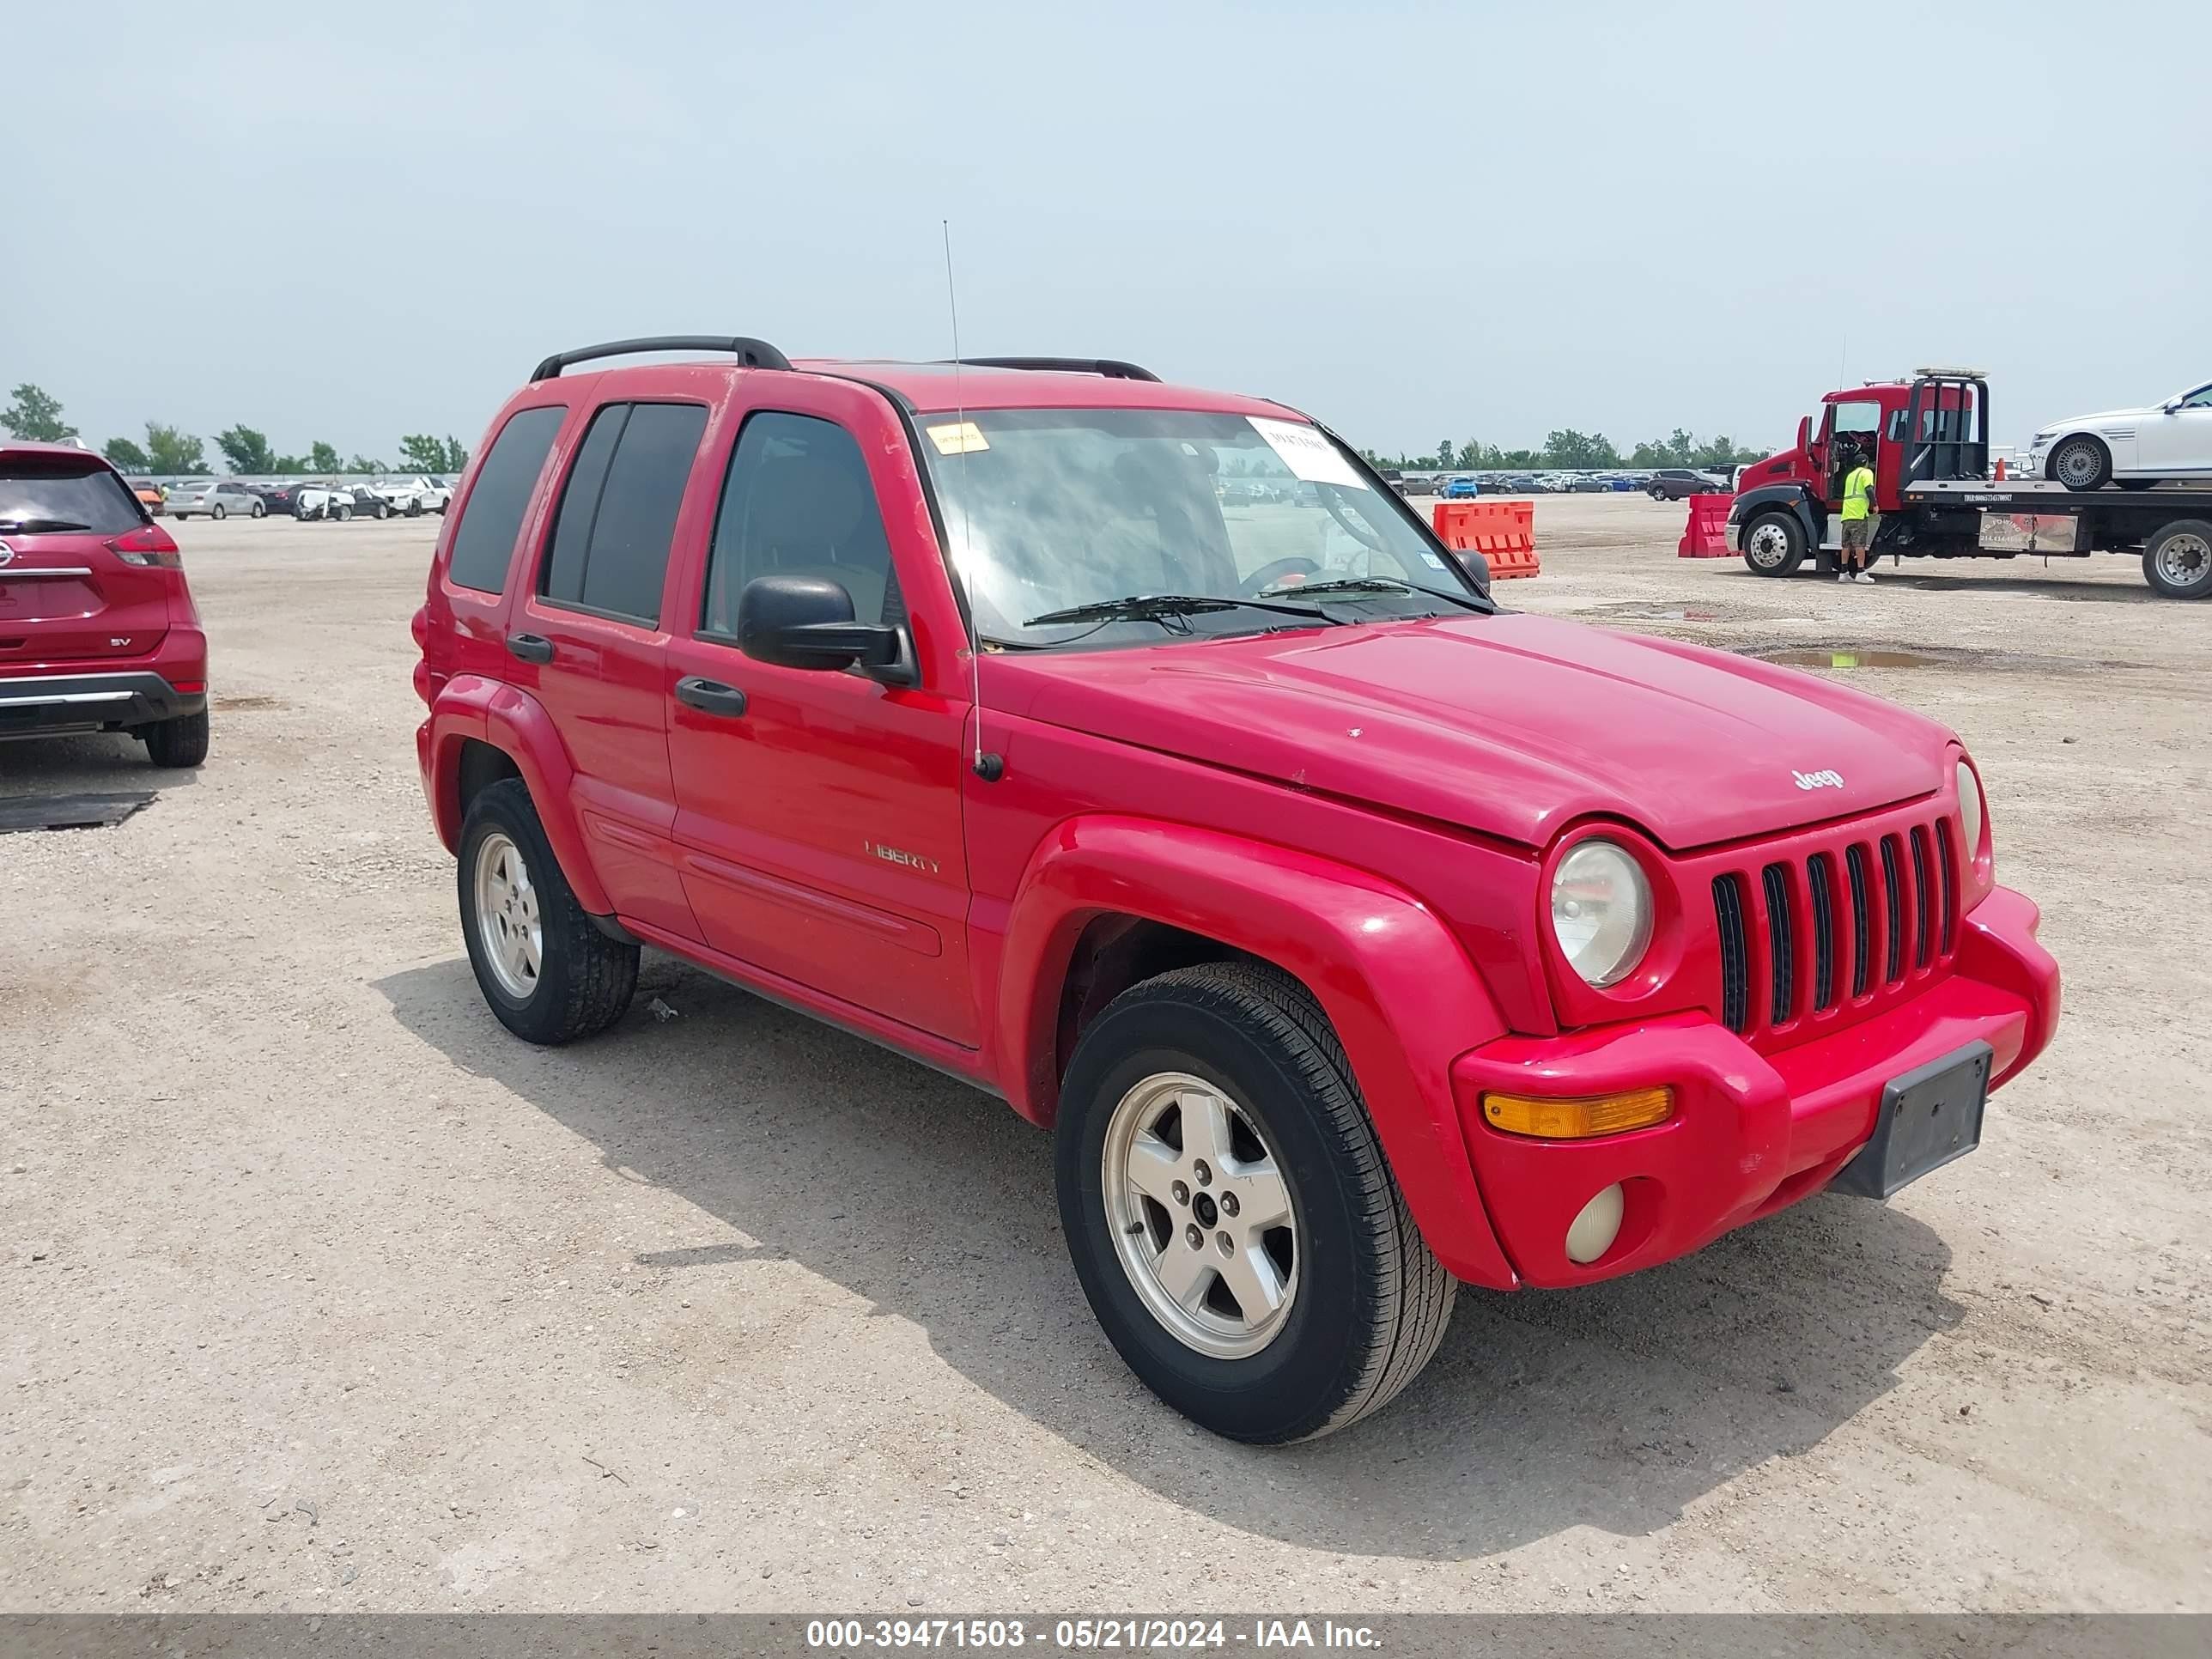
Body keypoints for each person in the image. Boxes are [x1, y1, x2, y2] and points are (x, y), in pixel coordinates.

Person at [1838, 444, 1878, 583]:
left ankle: (1843, 573)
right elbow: (1869, 489)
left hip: (1846, 514)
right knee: (1860, 544)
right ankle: (1861, 572)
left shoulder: (1850, 475)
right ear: (1866, 463)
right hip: (1859, 513)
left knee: (1846, 545)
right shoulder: (1867, 473)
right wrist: (1875, 504)